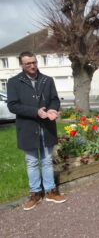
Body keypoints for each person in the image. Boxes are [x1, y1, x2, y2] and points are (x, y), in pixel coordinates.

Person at [7, 51, 66, 211]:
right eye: (28, 63)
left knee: (47, 160)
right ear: (21, 65)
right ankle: (35, 193)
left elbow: (54, 99)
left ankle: (50, 191)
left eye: (34, 62)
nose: (32, 66)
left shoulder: (47, 80)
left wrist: (53, 110)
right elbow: (12, 105)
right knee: (32, 162)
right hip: (27, 128)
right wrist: (35, 112)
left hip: (46, 127)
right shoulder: (13, 82)